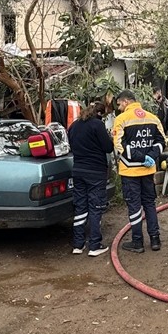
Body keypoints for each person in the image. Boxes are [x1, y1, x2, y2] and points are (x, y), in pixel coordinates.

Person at [112, 89, 165, 253]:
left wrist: (139, 157)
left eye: (120, 103)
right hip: (148, 171)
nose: (119, 107)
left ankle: (137, 242)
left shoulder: (121, 119)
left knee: (134, 206)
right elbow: (161, 141)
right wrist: (150, 156)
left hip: (130, 172)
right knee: (149, 204)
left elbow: (119, 145)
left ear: (126, 101)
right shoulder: (153, 118)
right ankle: (155, 239)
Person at [68, 101, 114, 257]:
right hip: (95, 171)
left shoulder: (74, 126)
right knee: (95, 207)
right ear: (100, 114)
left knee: (80, 207)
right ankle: (94, 245)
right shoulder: (97, 125)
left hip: (78, 170)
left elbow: (71, 146)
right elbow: (108, 147)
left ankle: (77, 244)